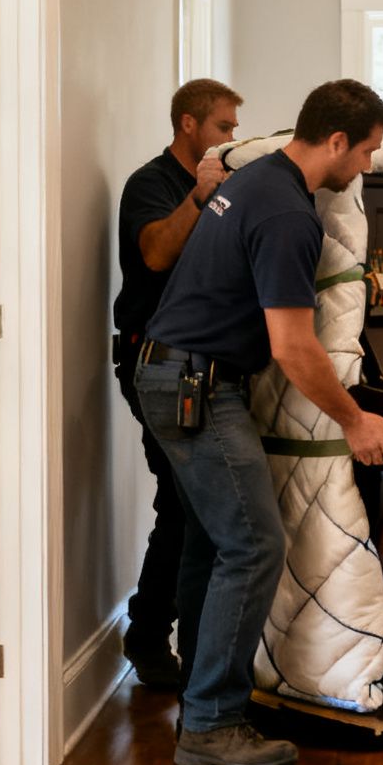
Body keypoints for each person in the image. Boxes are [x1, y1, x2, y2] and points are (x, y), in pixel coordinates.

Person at [133, 78, 383, 765]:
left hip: (172, 373)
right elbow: (293, 346)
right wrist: (354, 420)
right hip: (195, 386)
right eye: (367, 151)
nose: (368, 166)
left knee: (209, 543)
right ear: (336, 141)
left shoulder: (257, 181)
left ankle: (202, 702)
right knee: (254, 545)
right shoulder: (287, 213)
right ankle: (212, 724)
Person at [111, 78, 241, 690]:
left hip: (202, 363)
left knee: (183, 506)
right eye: (224, 126)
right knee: (186, 506)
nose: (232, 137)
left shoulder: (224, 186)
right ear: (189, 124)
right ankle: (152, 638)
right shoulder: (151, 184)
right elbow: (156, 255)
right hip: (154, 364)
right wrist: (199, 196)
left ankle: (153, 635)